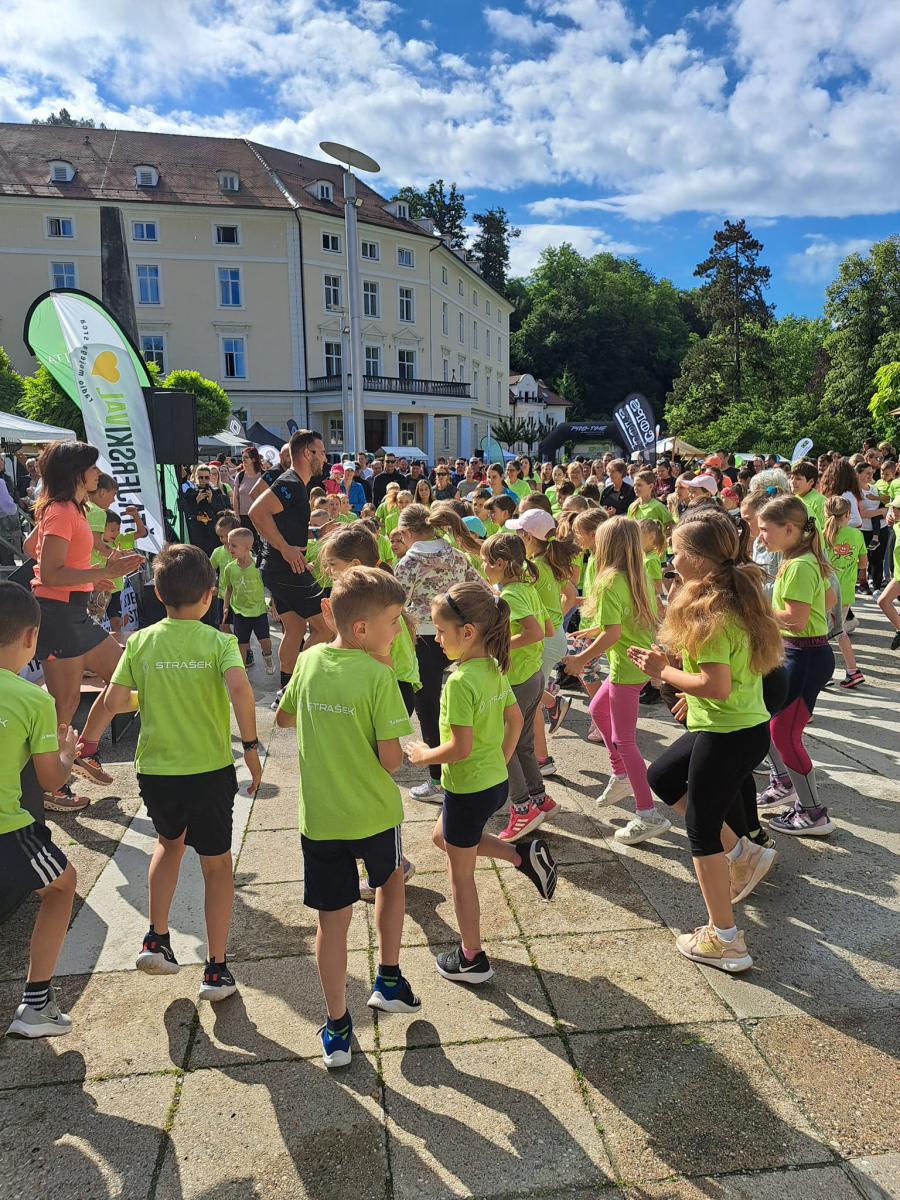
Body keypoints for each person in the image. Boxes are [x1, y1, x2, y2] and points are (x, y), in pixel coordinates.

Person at [275, 567, 422, 1067]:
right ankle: (387, 978)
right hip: (376, 813)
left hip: (320, 817)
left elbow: (284, 717)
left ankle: (337, 1027)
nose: (398, 631)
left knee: (330, 923)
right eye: (394, 622)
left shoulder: (311, 659)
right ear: (363, 630)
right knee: (391, 881)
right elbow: (391, 760)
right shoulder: (380, 676)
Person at [105, 544, 262, 1001]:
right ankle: (215, 968)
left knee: (167, 844)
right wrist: (250, 748)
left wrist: (92, 741)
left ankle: (156, 937)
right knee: (216, 867)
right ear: (211, 596)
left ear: (157, 591)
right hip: (209, 770)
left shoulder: (140, 640)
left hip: (155, 769)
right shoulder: (219, 642)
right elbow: (239, 689)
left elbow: (115, 701)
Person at [630, 515, 782, 973]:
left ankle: (725, 939)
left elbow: (714, 684)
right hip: (735, 726)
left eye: (675, 552)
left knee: (700, 829)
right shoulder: (732, 593)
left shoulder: (708, 610)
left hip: (729, 732)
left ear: (696, 560)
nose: (669, 558)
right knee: (663, 775)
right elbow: (728, 679)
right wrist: (689, 700)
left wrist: (663, 671)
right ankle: (745, 854)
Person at [407, 582, 556, 982]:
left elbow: (458, 747)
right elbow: (516, 719)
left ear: (467, 632)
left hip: (467, 789)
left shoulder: (458, 681)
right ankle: (522, 855)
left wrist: (424, 756)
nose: (436, 638)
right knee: (444, 838)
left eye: (440, 630)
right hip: (491, 787)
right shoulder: (491, 667)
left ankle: (472, 957)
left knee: (460, 876)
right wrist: (500, 762)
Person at [23, 442, 143, 811]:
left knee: (125, 673)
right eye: (92, 467)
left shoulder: (70, 508)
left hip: (70, 611)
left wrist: (90, 578)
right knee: (65, 704)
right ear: (77, 472)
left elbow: (32, 547)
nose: (97, 472)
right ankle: (50, 787)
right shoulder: (61, 510)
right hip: (57, 615)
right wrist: (100, 572)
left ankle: (84, 749)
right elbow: (50, 569)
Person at [1, 582, 80, 1038]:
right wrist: (68, 753)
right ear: (32, 637)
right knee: (61, 885)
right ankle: (35, 1005)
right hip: (8, 827)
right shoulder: (34, 699)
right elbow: (51, 781)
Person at [574, 518, 669, 842]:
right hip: (637, 660)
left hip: (626, 667)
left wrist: (579, 659)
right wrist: (594, 631)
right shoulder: (637, 571)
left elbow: (613, 632)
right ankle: (620, 774)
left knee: (626, 741)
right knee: (598, 712)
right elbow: (619, 623)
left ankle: (648, 813)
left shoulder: (609, 579)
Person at [394, 503, 487, 802]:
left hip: (424, 641)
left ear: (407, 533)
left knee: (429, 709)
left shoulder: (409, 562)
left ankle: (436, 781)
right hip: (460, 637)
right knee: (466, 702)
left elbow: (394, 606)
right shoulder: (455, 553)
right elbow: (482, 587)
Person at [755, 495, 837, 836]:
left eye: (765, 530)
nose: (761, 537)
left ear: (790, 529)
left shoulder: (801, 564)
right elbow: (828, 599)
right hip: (800, 654)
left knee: (785, 735)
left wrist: (755, 610)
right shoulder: (800, 559)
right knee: (769, 723)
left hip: (804, 656)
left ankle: (813, 812)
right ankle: (787, 783)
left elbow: (797, 620)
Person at [480, 532, 558, 840]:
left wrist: (497, 646)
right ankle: (540, 799)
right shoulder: (527, 588)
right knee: (524, 744)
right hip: (534, 677)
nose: (483, 567)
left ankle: (523, 808)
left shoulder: (511, 595)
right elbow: (550, 627)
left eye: (485, 562)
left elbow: (537, 632)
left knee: (506, 745)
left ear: (499, 563)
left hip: (517, 682)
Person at [250, 430, 333, 695]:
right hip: (284, 567)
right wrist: (286, 551)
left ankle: (285, 687)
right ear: (307, 453)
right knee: (325, 628)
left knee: (295, 628)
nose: (325, 458)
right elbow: (257, 511)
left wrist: (317, 533)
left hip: (280, 567)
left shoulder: (297, 484)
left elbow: (283, 525)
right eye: (320, 452)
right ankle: (295, 689)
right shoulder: (292, 483)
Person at [506, 504, 579, 773]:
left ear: (528, 537)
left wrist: (546, 622)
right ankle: (554, 703)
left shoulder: (532, 568)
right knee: (533, 695)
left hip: (545, 641)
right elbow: (570, 595)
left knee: (530, 701)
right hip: (554, 637)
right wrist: (554, 620)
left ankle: (543, 760)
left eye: (519, 534)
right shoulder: (549, 563)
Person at [823, 497, 867, 689]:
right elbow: (863, 563)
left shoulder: (821, 535)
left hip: (825, 591)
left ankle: (825, 674)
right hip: (846, 592)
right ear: (848, 514)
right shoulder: (856, 535)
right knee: (839, 631)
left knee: (821, 633)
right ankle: (852, 670)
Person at [220, 527, 276, 673]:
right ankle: (242, 669)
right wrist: (226, 607)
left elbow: (269, 585)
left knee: (265, 641)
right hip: (239, 611)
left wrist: (273, 604)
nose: (229, 548)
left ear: (247, 547)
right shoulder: (230, 568)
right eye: (228, 545)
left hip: (258, 611)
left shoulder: (258, 566)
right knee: (241, 643)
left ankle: (268, 656)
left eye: (233, 545)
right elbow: (229, 588)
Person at [179, 464, 230, 559]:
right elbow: (187, 512)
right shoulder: (190, 492)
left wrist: (211, 501)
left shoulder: (216, 492)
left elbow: (222, 511)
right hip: (197, 533)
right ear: (196, 477)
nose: (203, 480)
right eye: (200, 477)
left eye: (206, 477)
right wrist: (196, 500)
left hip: (213, 533)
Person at [211, 513, 241, 629]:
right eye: (220, 536)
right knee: (223, 624)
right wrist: (211, 586)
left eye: (227, 535)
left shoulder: (245, 552)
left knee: (242, 627)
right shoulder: (217, 552)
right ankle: (233, 646)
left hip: (240, 597)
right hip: (222, 596)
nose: (224, 539)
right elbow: (209, 571)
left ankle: (244, 647)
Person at [877, 497, 900, 649]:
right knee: (883, 601)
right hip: (897, 575)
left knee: (883, 601)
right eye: (894, 508)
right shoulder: (896, 524)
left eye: (899, 509)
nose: (895, 511)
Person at [232, 447, 264, 540]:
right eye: (243, 457)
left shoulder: (263, 475)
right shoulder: (240, 475)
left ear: (253, 459)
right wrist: (237, 515)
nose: (243, 460)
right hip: (243, 516)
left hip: (260, 516)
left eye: (246, 457)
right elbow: (236, 497)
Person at [789, 461, 825, 528]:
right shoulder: (795, 498)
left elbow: (823, 528)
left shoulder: (819, 501)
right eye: (791, 478)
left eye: (798, 479)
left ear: (811, 482)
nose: (793, 482)